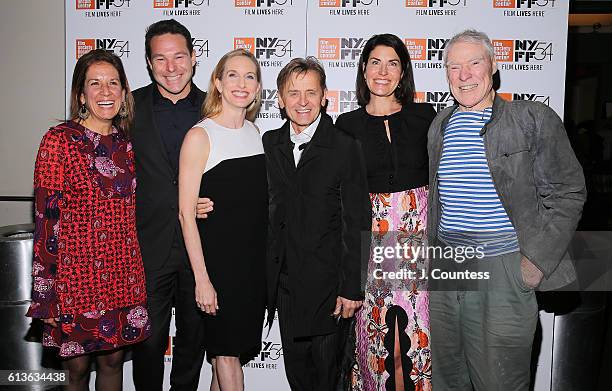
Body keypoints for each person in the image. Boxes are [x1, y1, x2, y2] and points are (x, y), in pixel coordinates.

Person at [427, 29, 586, 391]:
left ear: (493, 66)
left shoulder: (530, 117)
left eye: (474, 63)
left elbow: (569, 191)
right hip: (448, 266)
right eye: (454, 67)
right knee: (447, 379)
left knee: (500, 381)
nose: (464, 75)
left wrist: (534, 264)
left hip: (502, 267)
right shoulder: (440, 125)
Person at [27, 49, 150, 390]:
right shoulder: (58, 141)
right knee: (77, 367)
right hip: (74, 276)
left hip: (121, 271)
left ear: (124, 92)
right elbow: (45, 221)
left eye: (113, 83)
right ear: (81, 94)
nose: (106, 92)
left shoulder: (125, 145)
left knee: (113, 361)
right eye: (95, 84)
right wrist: (46, 292)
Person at [335, 33, 437, 391]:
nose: (383, 71)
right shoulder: (345, 126)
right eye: (375, 62)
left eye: (393, 63)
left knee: (419, 341)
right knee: (380, 345)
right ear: (363, 70)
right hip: (372, 243)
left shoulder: (426, 116)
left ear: (403, 72)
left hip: (419, 243)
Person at [263, 57, 371, 391]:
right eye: (293, 93)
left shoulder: (344, 146)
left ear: (325, 95)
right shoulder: (269, 143)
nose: (303, 102)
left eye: (311, 92)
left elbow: (357, 222)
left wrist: (351, 287)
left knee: (328, 378)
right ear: (280, 99)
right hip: (285, 284)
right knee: (298, 377)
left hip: (328, 287)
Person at [177, 48, 267, 391]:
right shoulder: (200, 136)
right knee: (226, 356)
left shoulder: (256, 134)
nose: (241, 84)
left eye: (250, 76)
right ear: (217, 82)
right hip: (217, 267)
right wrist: (202, 279)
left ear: (258, 87)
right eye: (233, 75)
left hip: (251, 269)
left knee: (223, 359)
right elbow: (186, 213)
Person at [130, 19, 211, 391]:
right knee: (147, 345)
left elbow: (236, 172)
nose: (171, 67)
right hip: (147, 247)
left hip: (201, 249)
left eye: (179, 56)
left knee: (192, 345)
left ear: (194, 58)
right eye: (161, 59)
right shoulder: (129, 107)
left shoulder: (216, 107)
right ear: (149, 63)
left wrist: (216, 200)